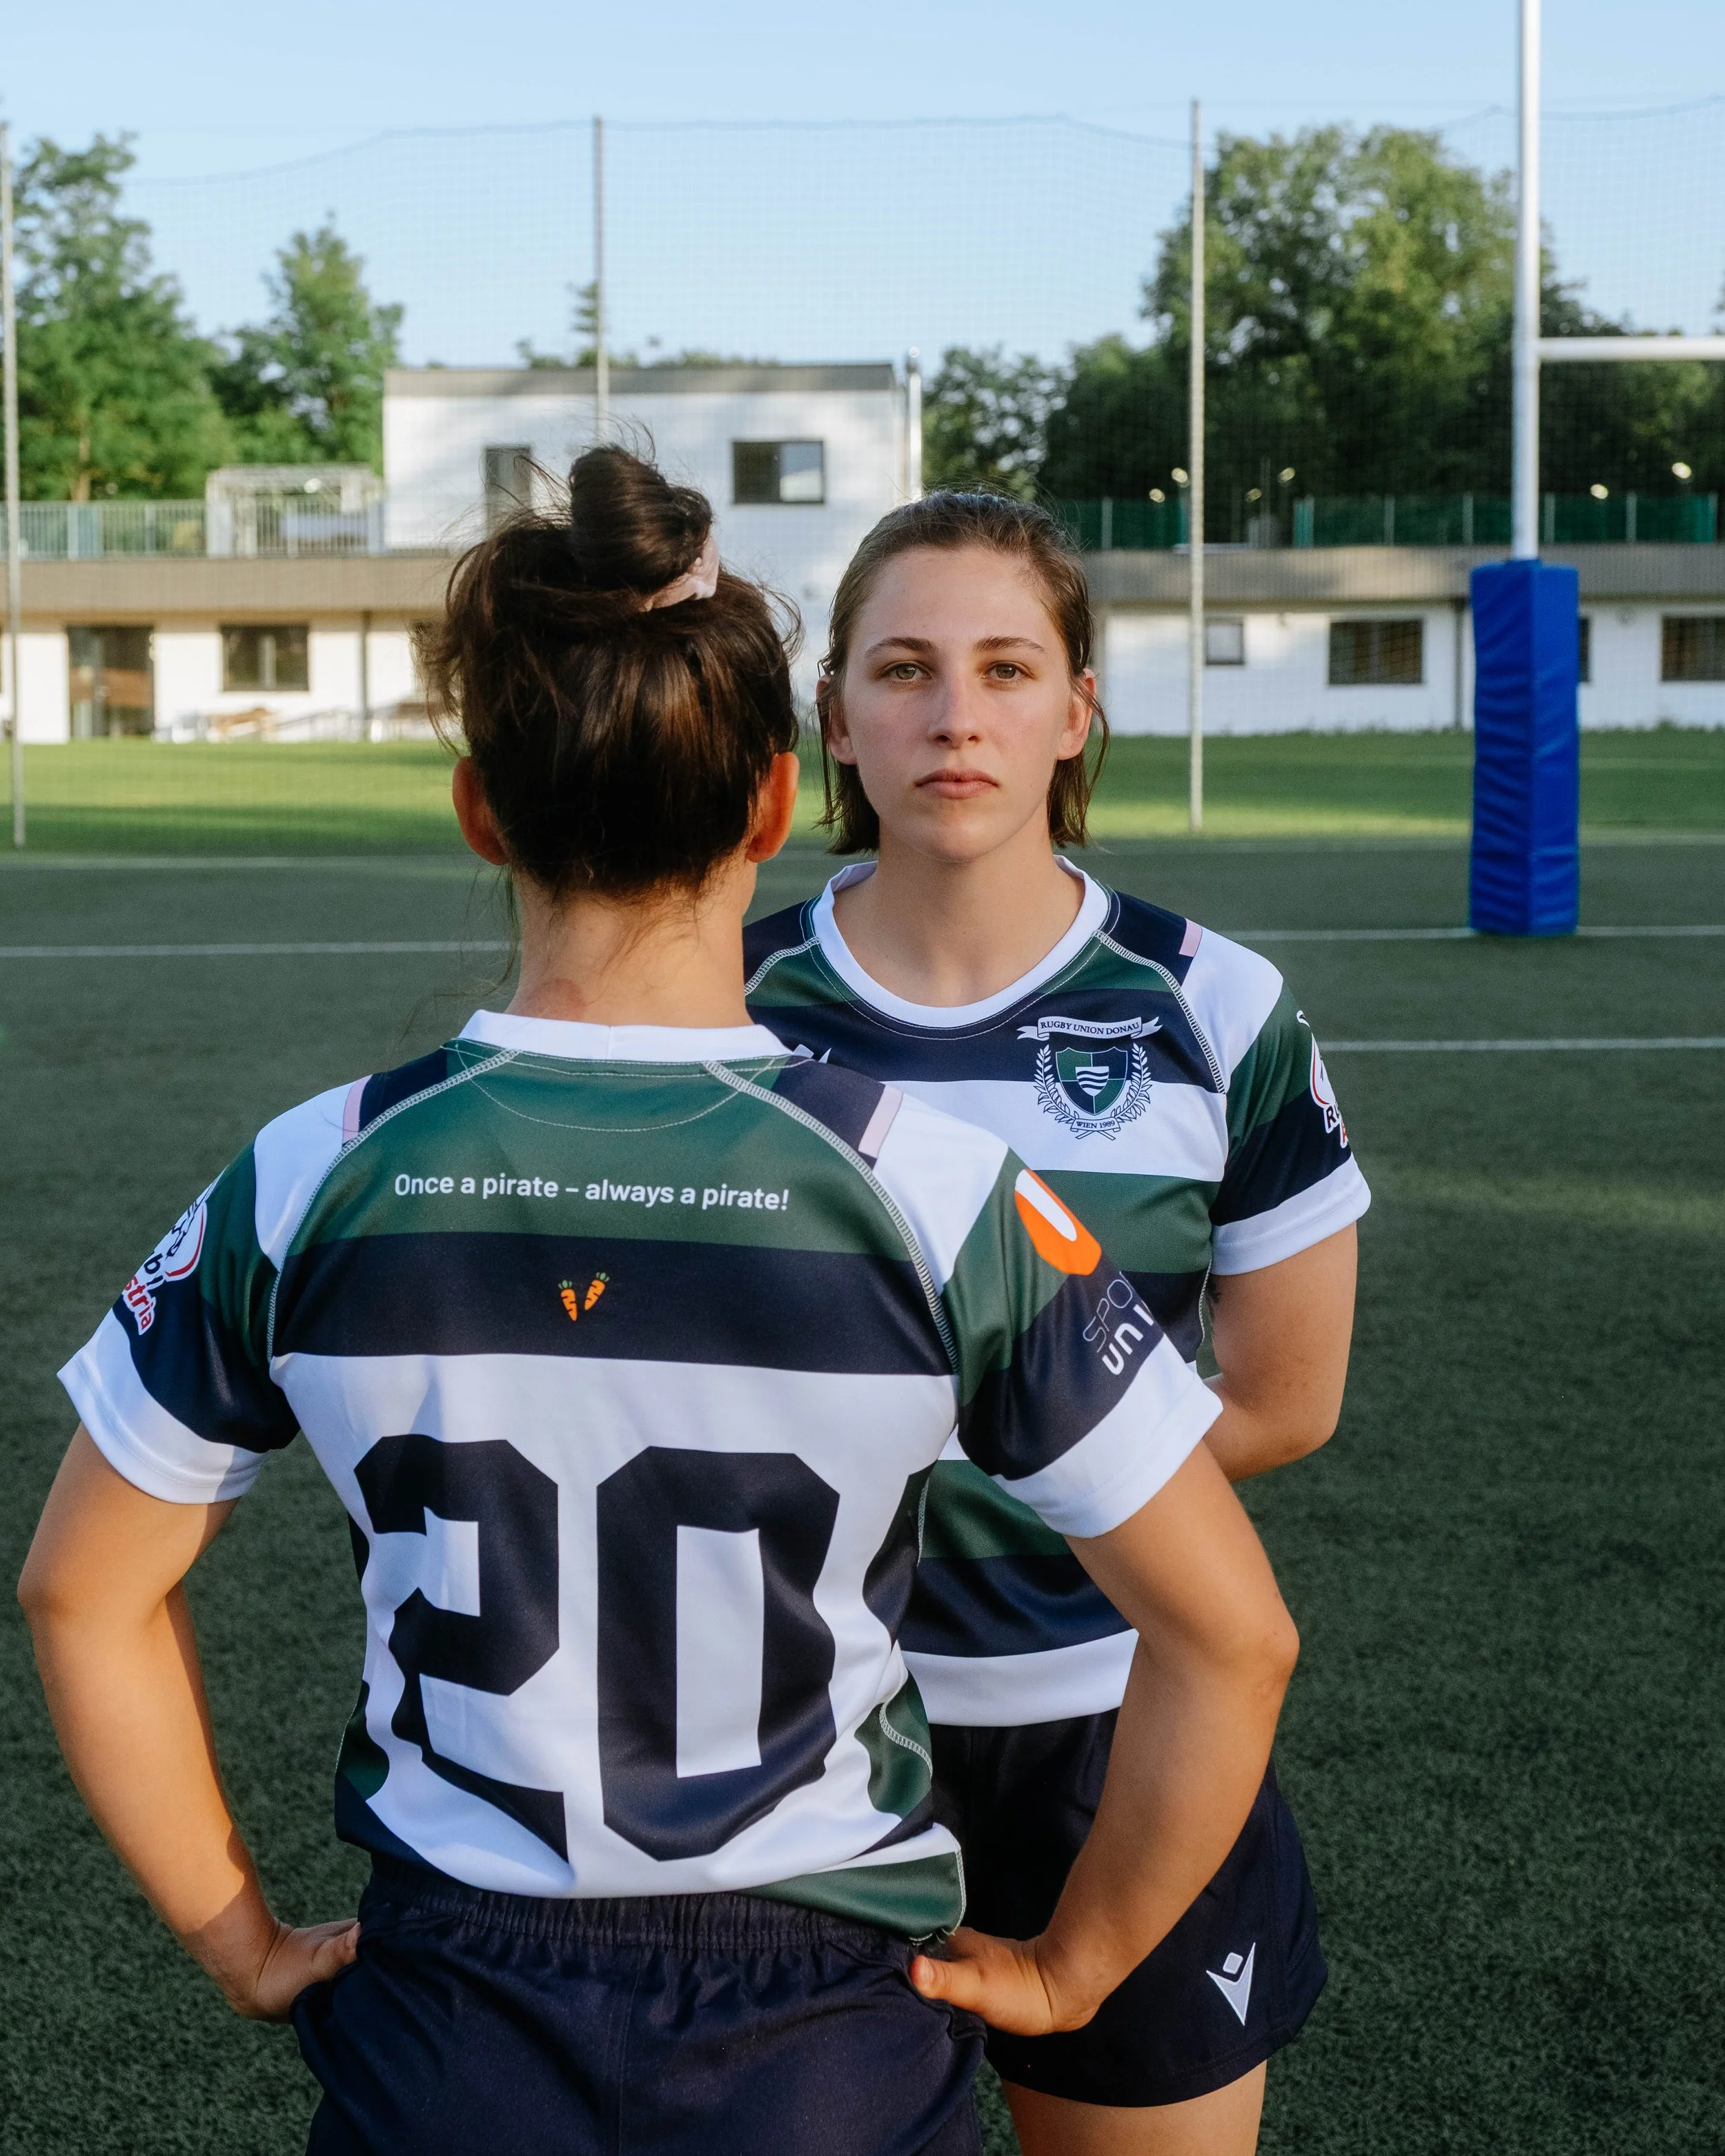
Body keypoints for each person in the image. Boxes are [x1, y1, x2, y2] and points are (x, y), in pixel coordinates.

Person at [19, 450, 1299, 2156]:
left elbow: (78, 1590)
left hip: (446, 2016)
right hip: (817, 2026)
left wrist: (233, 1928)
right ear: (775, 804)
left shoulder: (305, 1171)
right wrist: (1074, 1970)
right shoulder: (944, 1190)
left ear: (482, 810)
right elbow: (1233, 1631)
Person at [744, 491, 1370, 2156]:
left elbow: (1288, 1395)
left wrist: (1040, 1468)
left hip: (1124, 1722)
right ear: (837, 717)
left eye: (1007, 666)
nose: (956, 712)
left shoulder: (1207, 1004)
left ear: (1074, 709)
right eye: (904, 667)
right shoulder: (717, 1011)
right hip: (801, 1742)